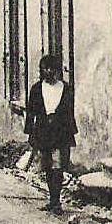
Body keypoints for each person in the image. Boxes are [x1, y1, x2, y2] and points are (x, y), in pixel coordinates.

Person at [25, 54, 78, 214]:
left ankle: (57, 201)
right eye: (45, 68)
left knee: (58, 166)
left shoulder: (66, 88)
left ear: (57, 70)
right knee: (47, 165)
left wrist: (69, 131)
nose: (48, 71)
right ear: (42, 70)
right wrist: (30, 133)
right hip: (43, 131)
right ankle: (52, 199)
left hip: (60, 132)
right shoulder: (36, 88)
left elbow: (69, 112)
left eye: (51, 69)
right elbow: (30, 112)